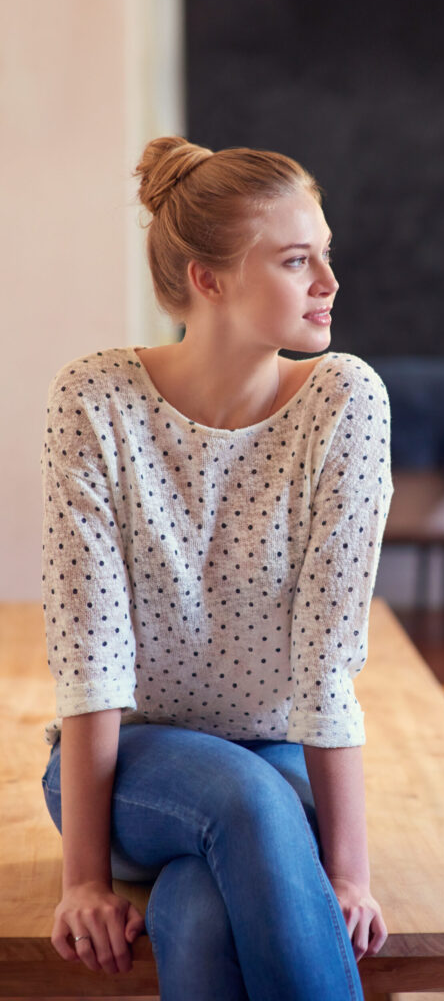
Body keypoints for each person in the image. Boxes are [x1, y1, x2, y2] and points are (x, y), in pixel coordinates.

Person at [40, 135, 393, 1000]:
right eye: (296, 259)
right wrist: (82, 879)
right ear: (209, 278)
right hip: (133, 773)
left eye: (326, 256)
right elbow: (92, 661)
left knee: (199, 912)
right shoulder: (94, 399)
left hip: (279, 758)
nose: (328, 283)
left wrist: (349, 873)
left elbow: (327, 662)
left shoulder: (345, 402)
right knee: (248, 804)